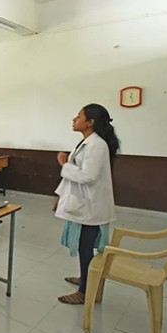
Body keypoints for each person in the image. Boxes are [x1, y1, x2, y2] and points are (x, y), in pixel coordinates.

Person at [54, 104, 119, 305]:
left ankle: (85, 291)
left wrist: (63, 163)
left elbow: (86, 176)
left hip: (91, 206)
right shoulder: (86, 143)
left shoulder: (97, 145)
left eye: (79, 116)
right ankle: (85, 278)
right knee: (84, 246)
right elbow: (75, 175)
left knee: (86, 246)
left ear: (90, 122)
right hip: (83, 202)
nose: (74, 119)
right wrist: (59, 196)